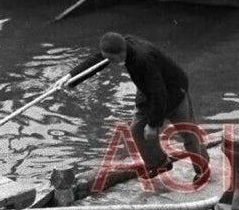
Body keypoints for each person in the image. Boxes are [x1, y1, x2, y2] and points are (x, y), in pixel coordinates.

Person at [71, 32, 204, 175]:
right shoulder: (123, 45)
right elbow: (97, 60)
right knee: (138, 129)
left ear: (120, 54)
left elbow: (159, 95)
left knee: (188, 133)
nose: (107, 61)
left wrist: (153, 124)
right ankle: (159, 163)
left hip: (174, 90)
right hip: (149, 88)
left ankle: (201, 169)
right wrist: (70, 77)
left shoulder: (143, 60)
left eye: (110, 59)